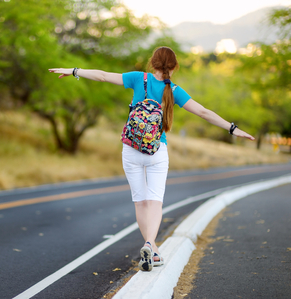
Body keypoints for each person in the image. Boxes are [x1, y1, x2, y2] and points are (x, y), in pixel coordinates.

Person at [48, 46, 255, 271]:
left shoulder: (139, 79)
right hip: (157, 151)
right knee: (155, 201)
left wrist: (75, 70)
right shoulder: (174, 90)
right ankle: (151, 245)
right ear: (174, 67)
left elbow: (103, 76)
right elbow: (203, 112)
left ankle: (152, 247)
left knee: (141, 201)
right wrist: (233, 128)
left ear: (152, 63)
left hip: (131, 149)